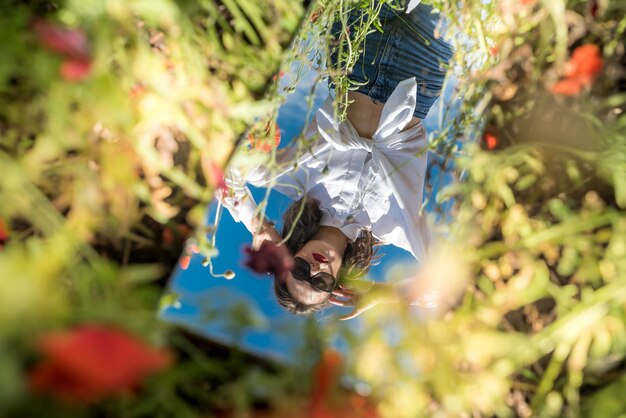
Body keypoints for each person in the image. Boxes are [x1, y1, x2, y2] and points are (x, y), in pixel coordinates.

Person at [218, 0, 453, 319]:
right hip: (422, 67)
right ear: (338, 281)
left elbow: (225, 168)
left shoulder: (296, 182)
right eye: (321, 282)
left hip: (357, 52)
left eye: (300, 271)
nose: (314, 269)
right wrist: (384, 295)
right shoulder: (395, 227)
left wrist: (259, 226)